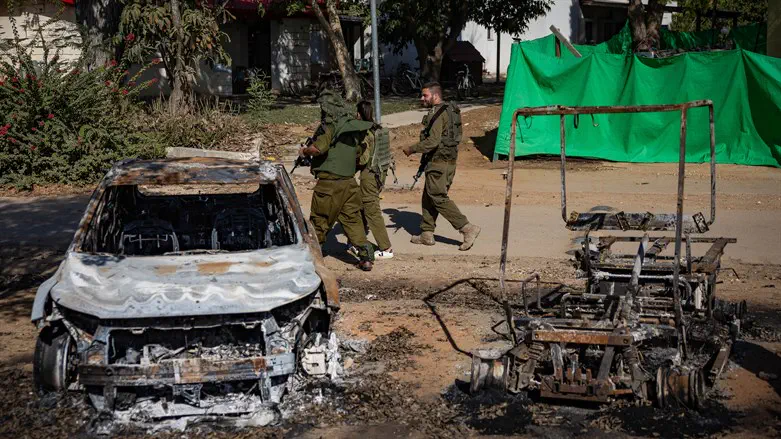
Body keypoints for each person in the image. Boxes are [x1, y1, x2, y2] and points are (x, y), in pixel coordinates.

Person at [299, 90, 375, 271]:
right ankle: (366, 258)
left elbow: (319, 149)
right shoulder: (353, 125)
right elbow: (358, 153)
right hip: (349, 183)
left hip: (329, 185)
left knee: (320, 221)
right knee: (353, 220)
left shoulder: (329, 126)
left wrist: (305, 151)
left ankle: (310, 257)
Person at [402, 82, 480, 251]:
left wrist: (411, 149)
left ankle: (467, 228)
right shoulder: (450, 110)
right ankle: (427, 233)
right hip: (448, 161)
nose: (422, 99)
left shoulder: (438, 114)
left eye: (425, 95)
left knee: (437, 196)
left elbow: (432, 141)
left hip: (438, 162)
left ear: (435, 96)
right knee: (428, 196)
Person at [353, 100, 394, 260]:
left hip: (369, 174)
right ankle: (359, 240)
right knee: (361, 206)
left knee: (371, 210)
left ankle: (386, 248)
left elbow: (363, 159)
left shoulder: (365, 132)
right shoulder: (379, 129)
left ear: (359, 113)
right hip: (380, 174)